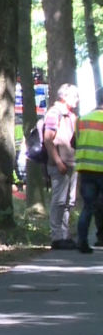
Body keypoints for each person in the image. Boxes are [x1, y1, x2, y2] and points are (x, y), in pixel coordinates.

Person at [44, 83, 79, 250]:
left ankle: (65, 235)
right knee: (59, 201)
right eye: (75, 96)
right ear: (64, 97)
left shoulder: (71, 116)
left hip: (72, 163)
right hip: (60, 164)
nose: (77, 100)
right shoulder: (54, 113)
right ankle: (56, 236)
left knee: (69, 201)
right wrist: (58, 161)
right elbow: (48, 139)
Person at [74, 87, 103, 253]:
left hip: (86, 170)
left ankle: (82, 241)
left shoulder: (81, 120)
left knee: (88, 207)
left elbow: (74, 143)